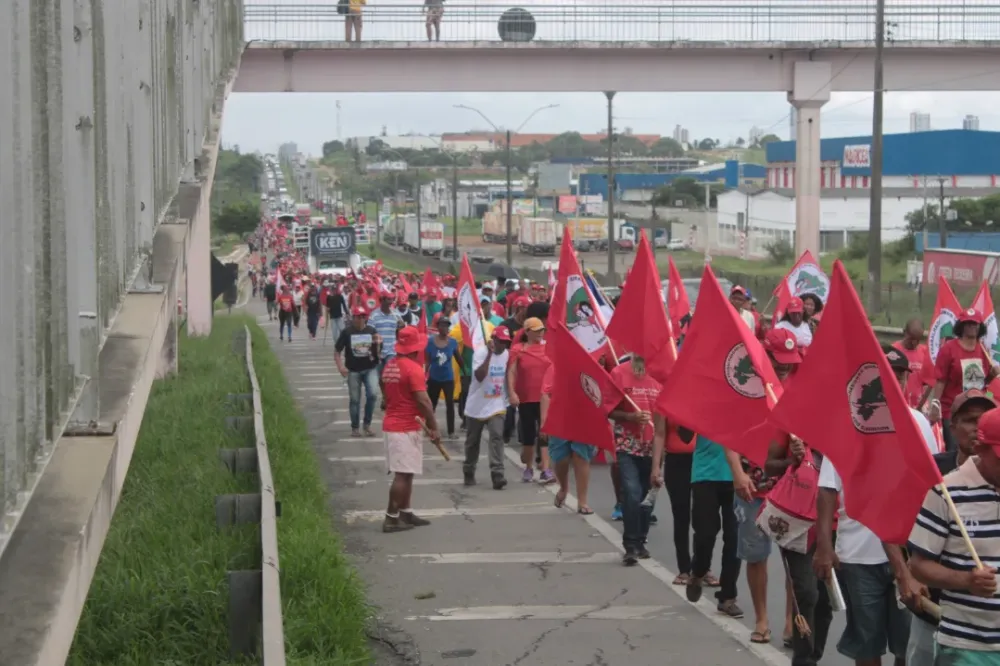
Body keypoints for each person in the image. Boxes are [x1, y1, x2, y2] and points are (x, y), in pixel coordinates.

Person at [814, 346, 937, 666]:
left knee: (905, 644)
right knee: (867, 646)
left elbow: (933, 487)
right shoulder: (849, 421)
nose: (895, 381)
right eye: (888, 375)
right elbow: (828, 488)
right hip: (858, 555)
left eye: (900, 375)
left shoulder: (920, 424)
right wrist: (824, 547)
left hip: (910, 552)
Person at [905, 389, 996, 666]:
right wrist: (967, 581)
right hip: (967, 646)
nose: (975, 424)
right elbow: (918, 565)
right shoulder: (945, 490)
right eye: (969, 419)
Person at [728, 327, 802, 646]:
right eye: (778, 360)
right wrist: (737, 474)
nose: (784, 366)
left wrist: (800, 451)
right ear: (764, 355)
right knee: (756, 556)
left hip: (789, 489)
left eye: (789, 360)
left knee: (792, 560)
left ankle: (790, 621)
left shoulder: (795, 395)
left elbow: (805, 442)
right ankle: (761, 618)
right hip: (751, 488)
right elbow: (728, 436)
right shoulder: (745, 388)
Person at [379, 327, 440, 533]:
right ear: (416, 348)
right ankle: (391, 517)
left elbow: (383, 387)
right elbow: (423, 400)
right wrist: (434, 426)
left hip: (396, 424)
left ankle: (405, 512)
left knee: (407, 472)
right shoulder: (413, 369)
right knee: (402, 475)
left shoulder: (389, 365)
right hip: (404, 427)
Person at [611, 355, 663, 565]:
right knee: (631, 494)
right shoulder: (619, 373)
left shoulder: (662, 373)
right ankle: (631, 545)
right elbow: (610, 410)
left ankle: (641, 541)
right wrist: (631, 417)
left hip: (654, 448)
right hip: (627, 445)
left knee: (646, 498)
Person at [929, 308, 999, 449]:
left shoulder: (983, 349)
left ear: (980, 327)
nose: (972, 327)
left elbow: (983, 383)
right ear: (961, 326)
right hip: (953, 411)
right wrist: (935, 405)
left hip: (977, 411)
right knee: (955, 449)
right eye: (968, 324)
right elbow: (941, 380)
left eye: (975, 324)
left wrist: (991, 377)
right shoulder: (949, 349)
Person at [463, 326, 511, 490]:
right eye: (501, 342)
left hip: (496, 404)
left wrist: (511, 394)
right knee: (472, 442)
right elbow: (479, 376)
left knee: (497, 436)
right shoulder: (480, 353)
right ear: (493, 340)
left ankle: (498, 474)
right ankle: (469, 470)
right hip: (476, 405)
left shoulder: (506, 354)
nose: (503, 346)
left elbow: (508, 375)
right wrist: (490, 355)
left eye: (506, 342)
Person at [507, 317, 553, 483]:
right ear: (527, 332)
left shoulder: (549, 348)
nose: (540, 333)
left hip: (546, 397)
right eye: (536, 330)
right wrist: (512, 392)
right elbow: (512, 372)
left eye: (541, 330)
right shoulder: (518, 349)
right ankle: (528, 467)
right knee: (528, 434)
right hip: (525, 398)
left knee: (545, 432)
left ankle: (546, 469)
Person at [335, 306, 382, 438]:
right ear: (353, 318)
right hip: (353, 370)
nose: (361, 320)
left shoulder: (372, 331)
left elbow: (378, 350)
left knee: (372, 395)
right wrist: (341, 367)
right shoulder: (347, 332)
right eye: (359, 317)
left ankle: (367, 424)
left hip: (370, 368)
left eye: (363, 317)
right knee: (355, 399)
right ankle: (355, 427)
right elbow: (337, 352)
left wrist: (378, 349)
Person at [425, 317, 463, 439]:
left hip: (448, 379)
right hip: (434, 378)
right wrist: (423, 376)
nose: (444, 328)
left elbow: (458, 358)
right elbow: (427, 361)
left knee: (450, 404)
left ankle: (451, 431)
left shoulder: (452, 342)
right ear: (438, 327)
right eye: (442, 325)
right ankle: (429, 427)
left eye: (446, 326)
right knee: (432, 404)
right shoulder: (430, 341)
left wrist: (466, 371)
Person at [892, 317, 933, 410]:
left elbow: (926, 383)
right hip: (899, 404)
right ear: (904, 332)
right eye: (911, 339)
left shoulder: (925, 352)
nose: (914, 342)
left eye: (918, 339)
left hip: (919, 406)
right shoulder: (893, 352)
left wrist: (923, 404)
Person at [368, 292, 402, 377]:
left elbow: (400, 331)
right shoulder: (374, 315)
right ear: (382, 300)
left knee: (390, 376)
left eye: (392, 299)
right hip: (378, 351)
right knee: (379, 377)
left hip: (391, 351)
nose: (391, 302)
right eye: (388, 299)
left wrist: (402, 326)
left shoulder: (396, 314)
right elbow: (369, 332)